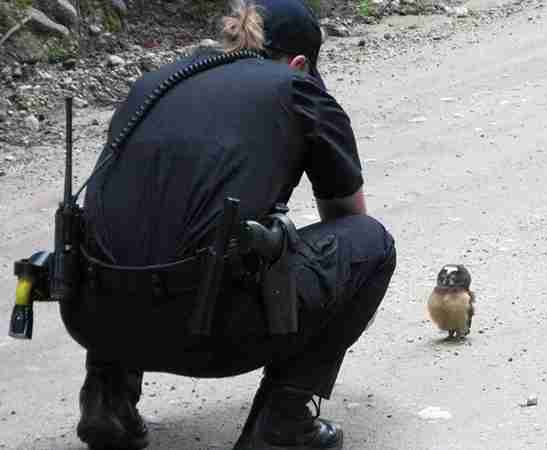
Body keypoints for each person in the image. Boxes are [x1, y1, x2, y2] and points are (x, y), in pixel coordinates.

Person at [59, 0, 397, 449]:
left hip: (92, 315)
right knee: (371, 245)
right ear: (299, 64)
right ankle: (283, 422)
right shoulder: (297, 89)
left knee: (140, 224)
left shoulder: (154, 84)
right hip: (209, 331)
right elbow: (347, 218)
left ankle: (107, 402)